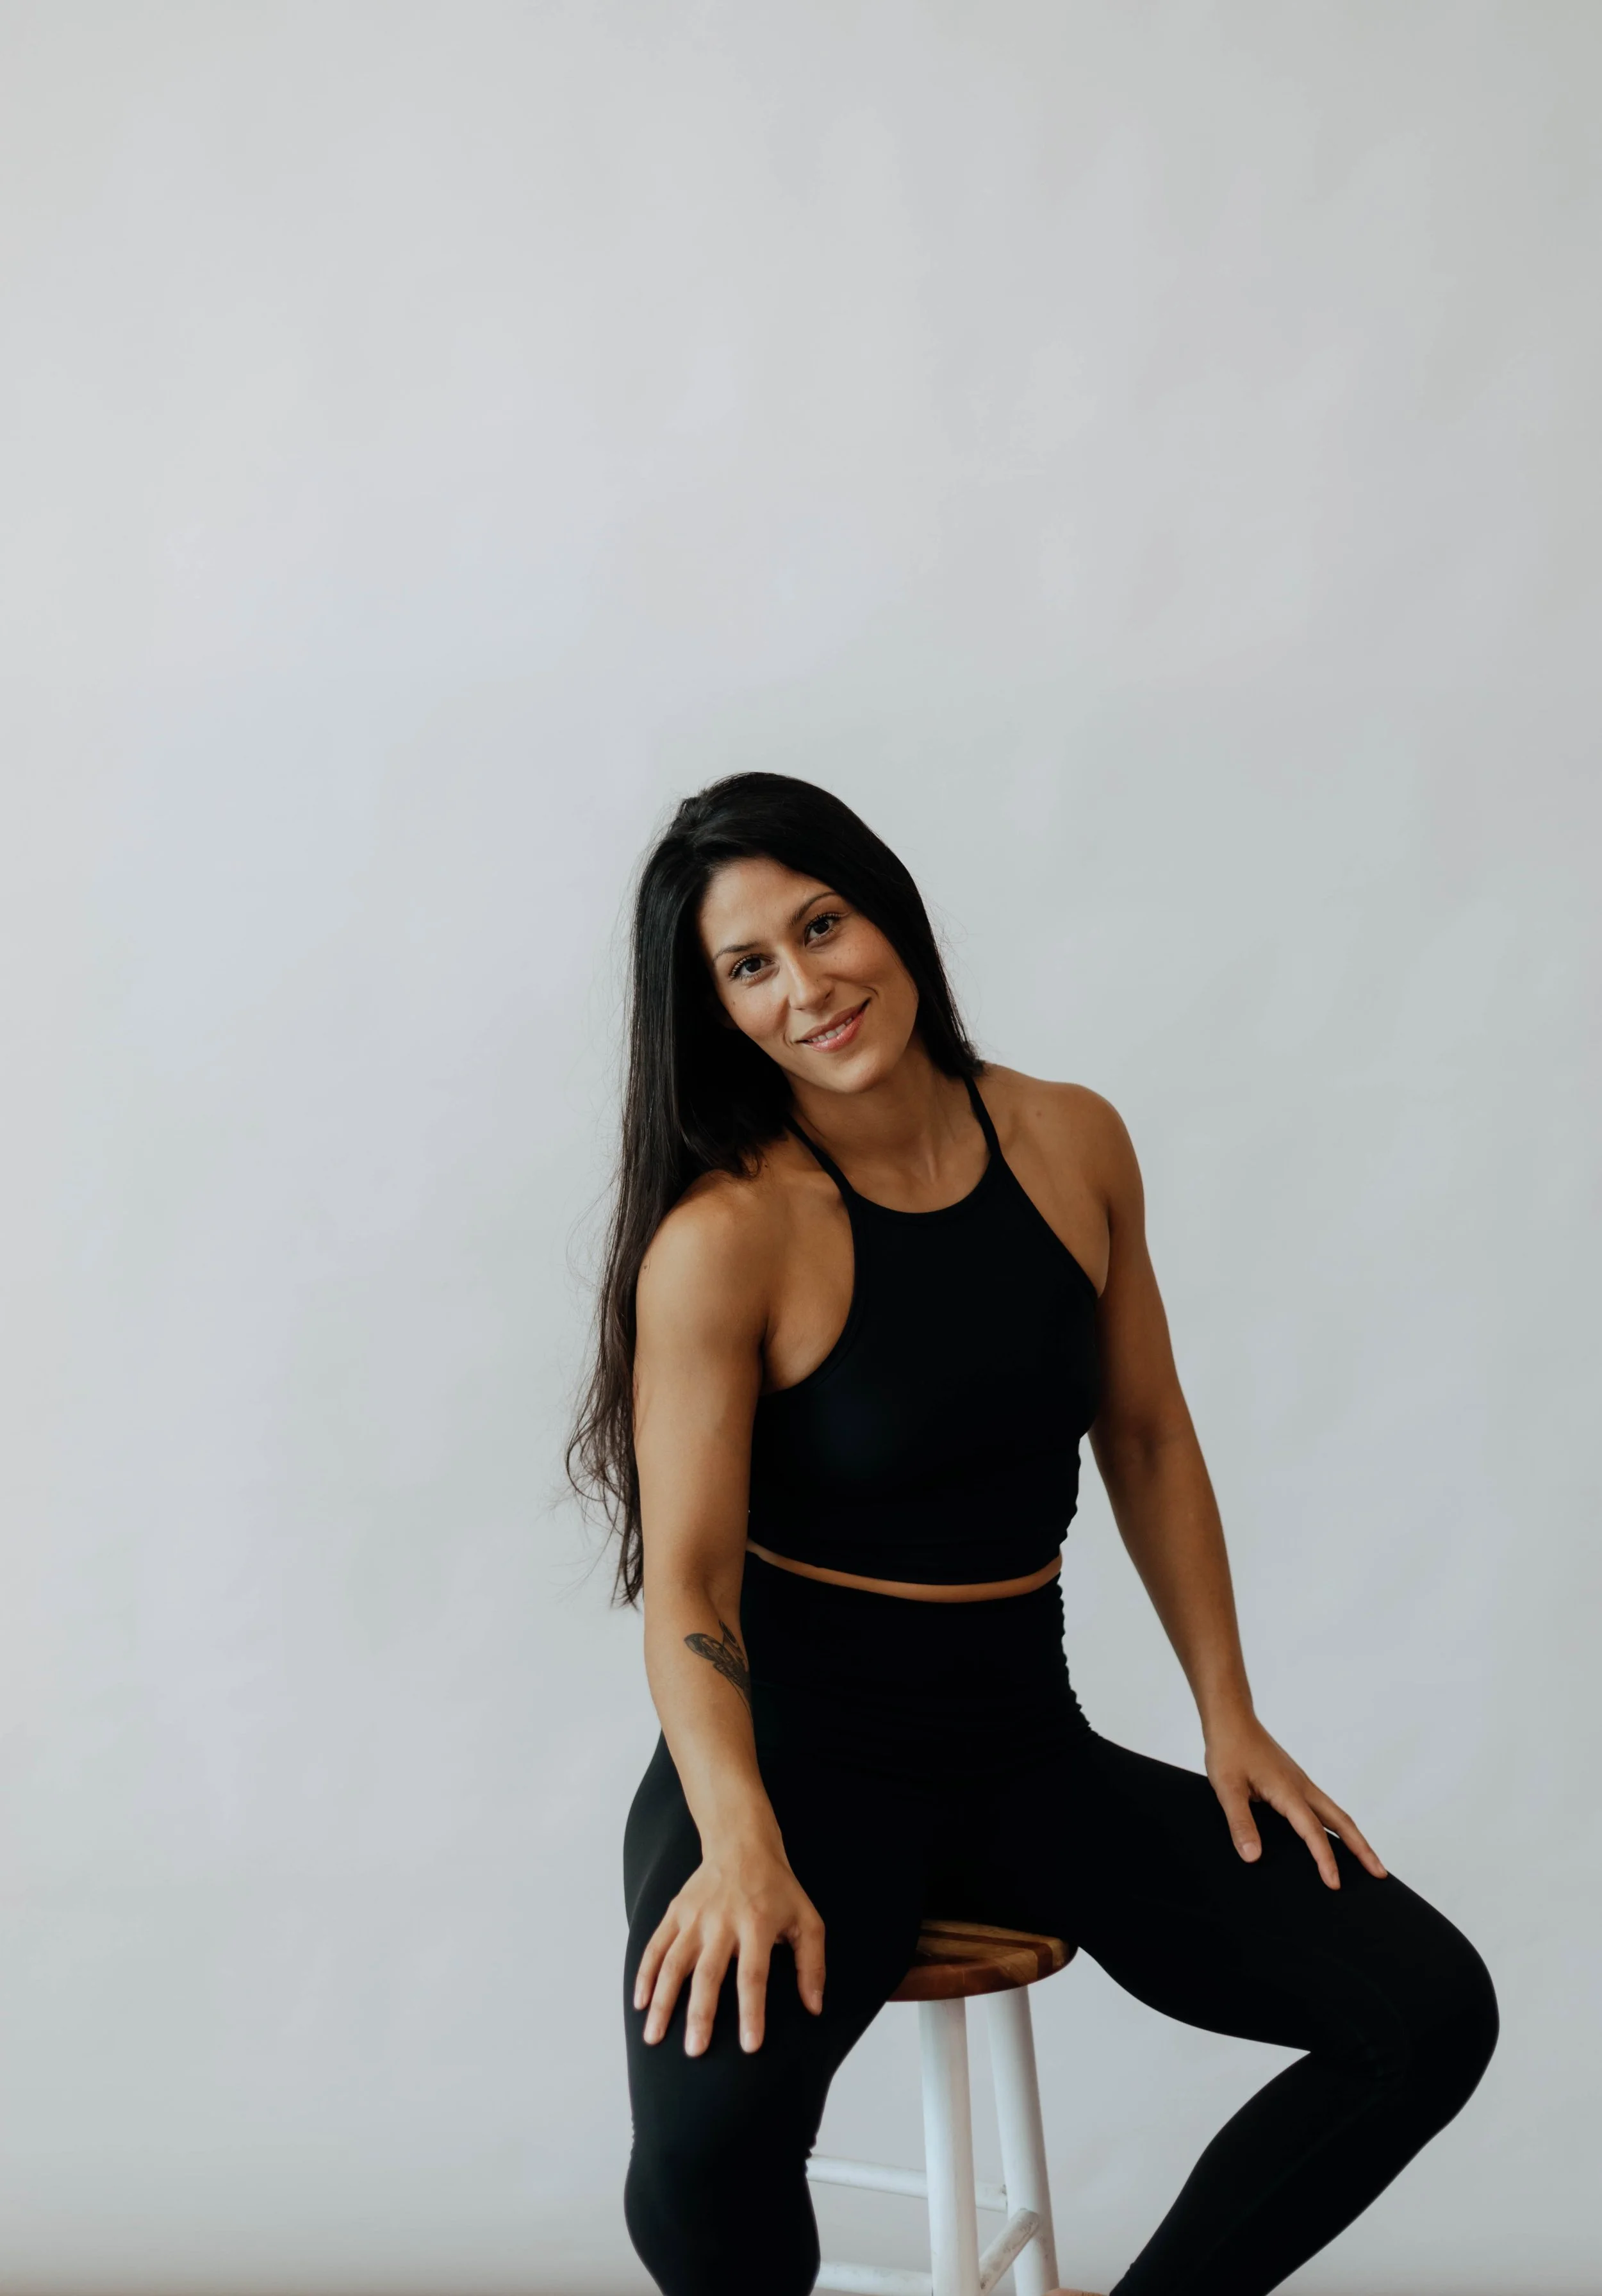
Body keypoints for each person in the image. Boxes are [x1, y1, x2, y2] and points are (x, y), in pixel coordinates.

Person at [566, 771, 1498, 2296]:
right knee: (702, 2159)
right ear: (715, 1009)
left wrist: (1227, 1716)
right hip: (790, 1766)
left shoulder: (1071, 1143)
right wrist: (735, 1835)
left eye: (822, 924)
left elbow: (1142, 1435)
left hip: (1016, 1750)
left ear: (888, 910)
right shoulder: (728, 1238)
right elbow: (685, 1581)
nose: (806, 987)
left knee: (1424, 2011)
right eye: (748, 967)